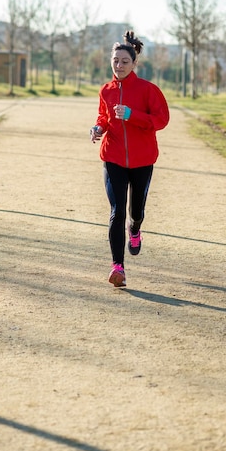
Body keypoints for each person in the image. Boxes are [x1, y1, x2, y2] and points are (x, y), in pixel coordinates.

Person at [90, 30, 170, 288]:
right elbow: (104, 116)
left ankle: (135, 230)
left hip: (142, 160)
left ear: (135, 63)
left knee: (135, 211)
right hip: (112, 157)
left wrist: (132, 115)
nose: (119, 65)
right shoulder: (106, 90)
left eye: (125, 61)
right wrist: (98, 128)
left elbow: (161, 120)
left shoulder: (149, 90)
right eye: (115, 60)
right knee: (116, 211)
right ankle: (118, 267)